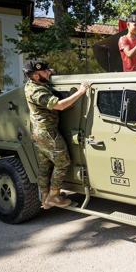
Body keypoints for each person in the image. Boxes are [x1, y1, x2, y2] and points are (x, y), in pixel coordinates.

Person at [23, 60, 90, 209]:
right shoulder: (36, 91)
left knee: (45, 165)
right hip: (47, 132)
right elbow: (59, 105)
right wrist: (80, 92)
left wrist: (48, 72)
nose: (48, 72)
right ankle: (54, 196)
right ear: (35, 75)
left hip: (39, 131)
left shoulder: (35, 84)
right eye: (44, 71)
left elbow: (48, 74)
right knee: (63, 162)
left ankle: (45, 197)